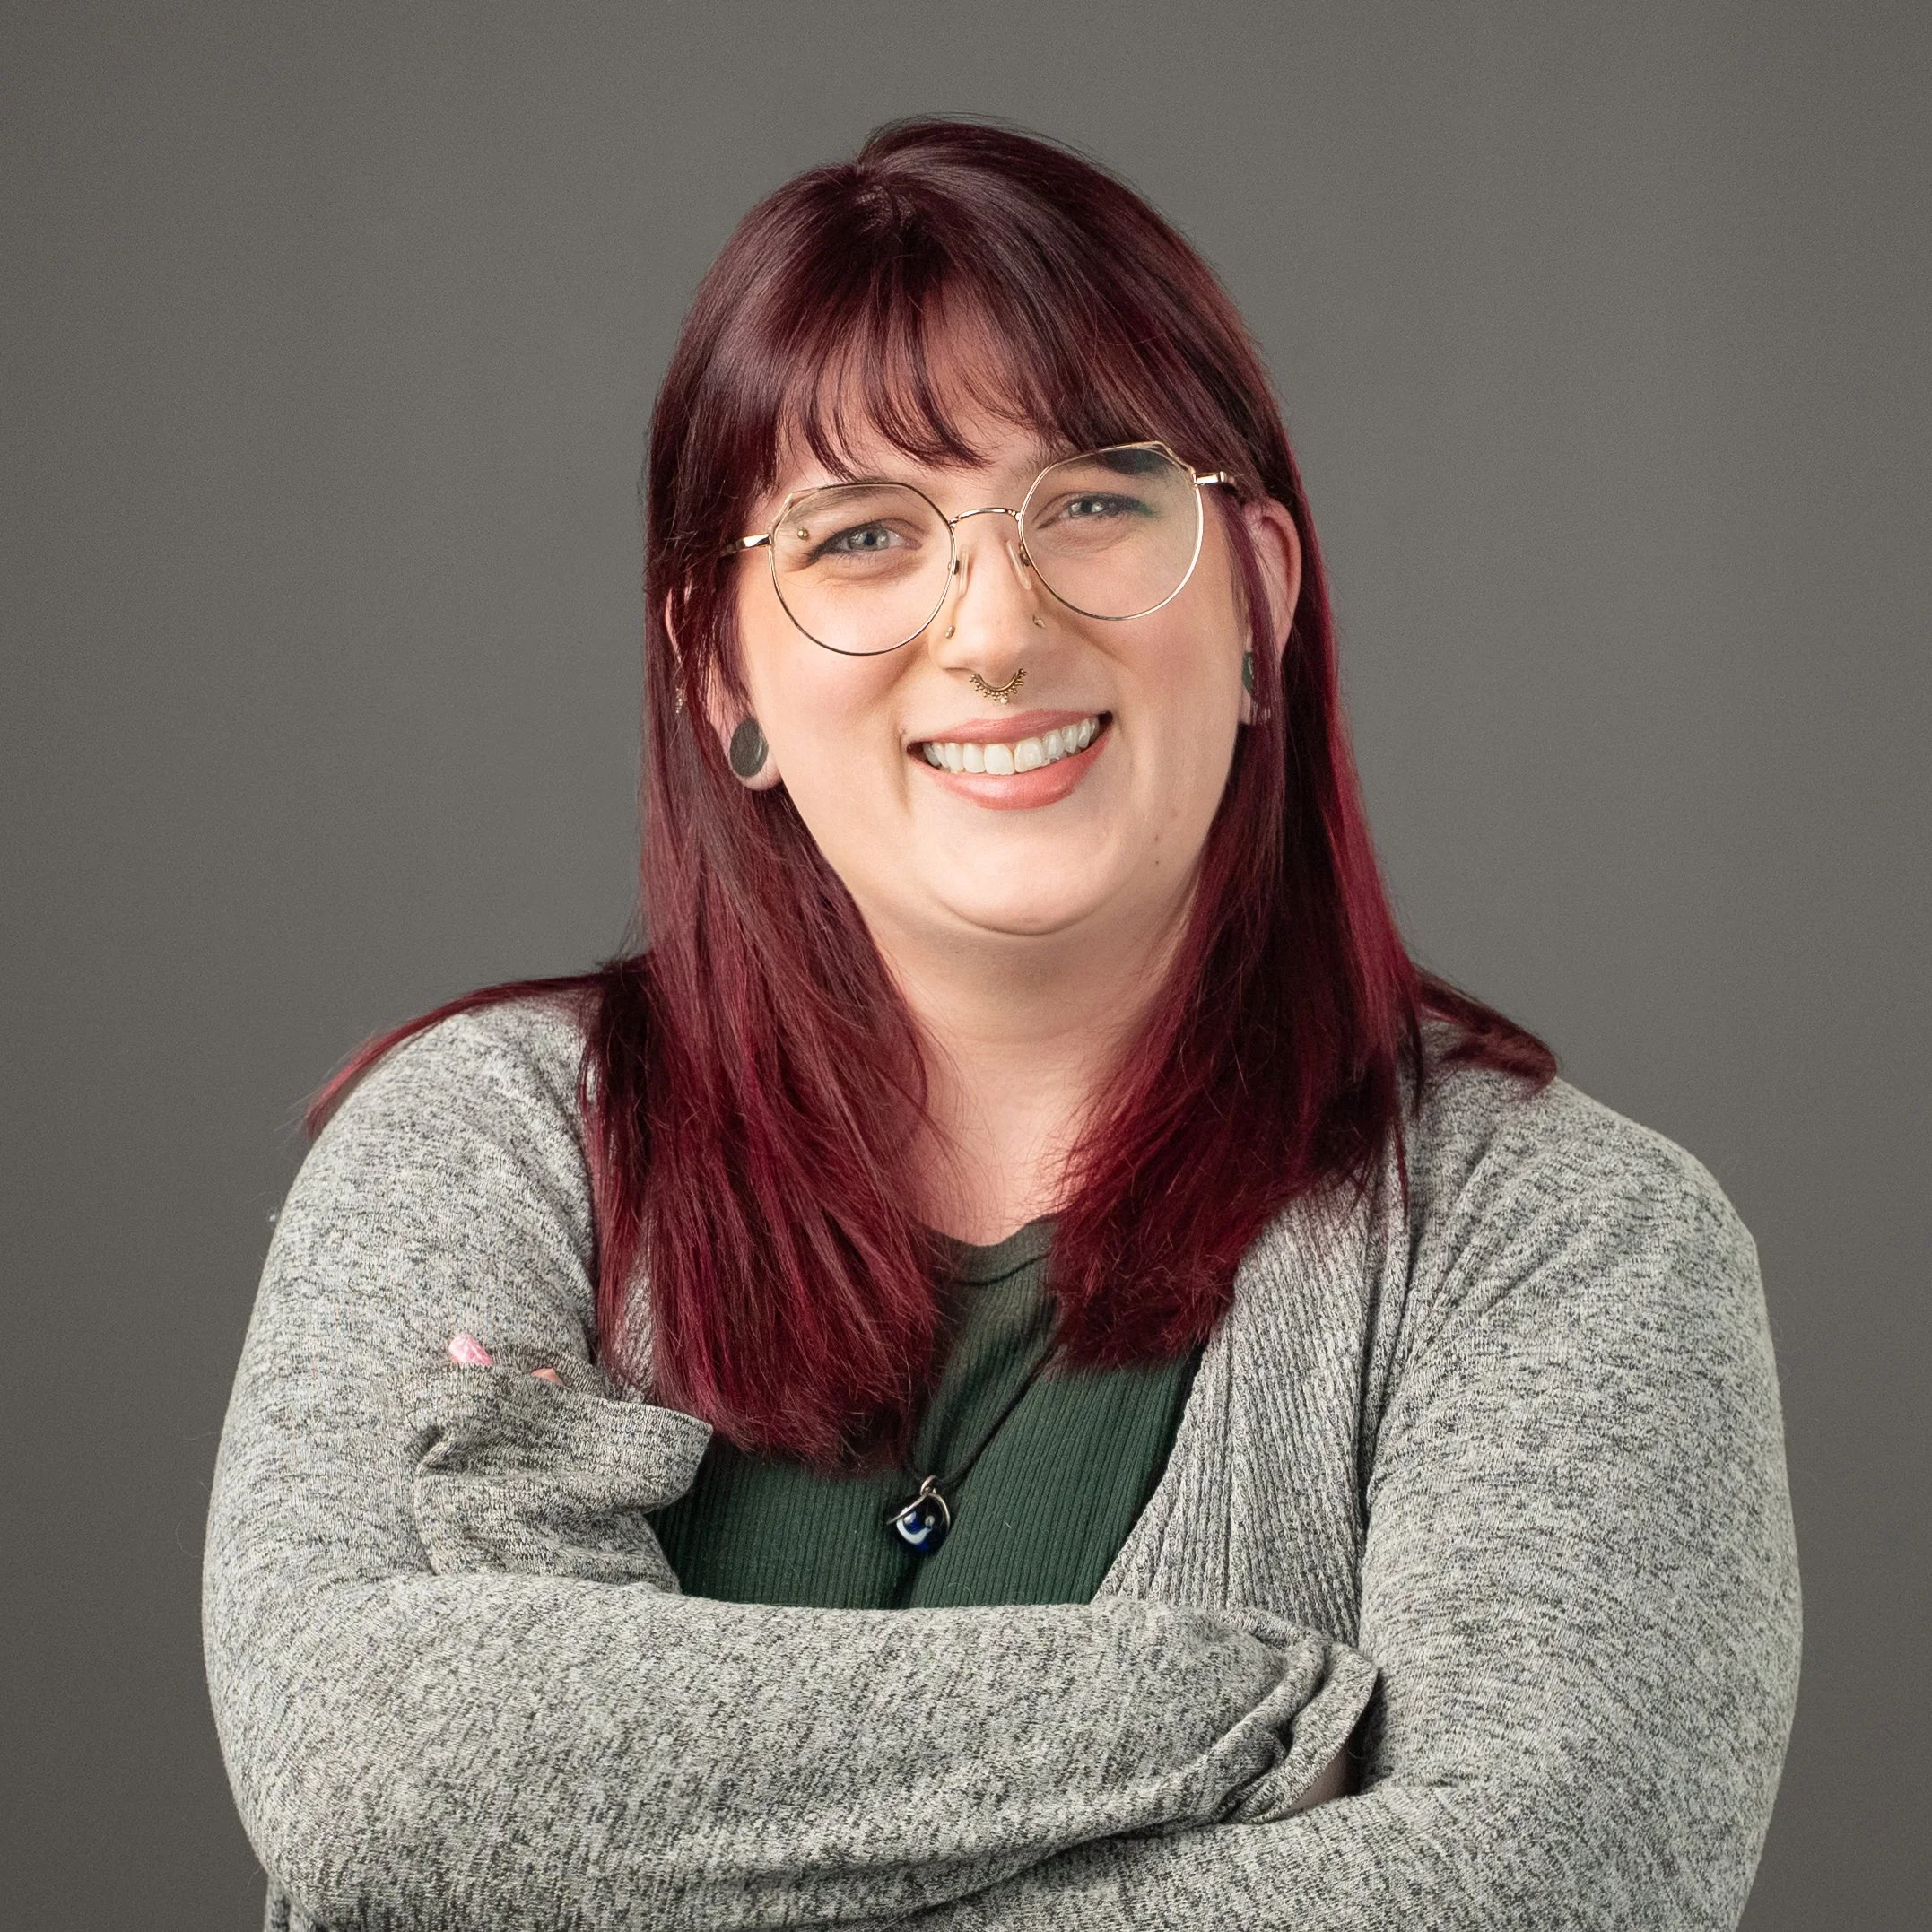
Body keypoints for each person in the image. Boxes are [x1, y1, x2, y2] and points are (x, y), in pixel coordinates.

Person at [203, 118, 1799, 1930]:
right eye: (865, 535)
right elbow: (373, 1772)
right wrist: (1254, 1708)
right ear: (719, 667)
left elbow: (1543, 1888)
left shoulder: (1566, 1249)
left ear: (1260, 593)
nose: (994, 631)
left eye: (1097, 501)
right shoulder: (482, 1147)